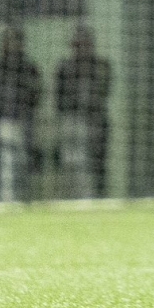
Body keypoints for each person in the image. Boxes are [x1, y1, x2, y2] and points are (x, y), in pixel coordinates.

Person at [0, 24, 42, 203]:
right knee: (3, 162)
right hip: (1, 122)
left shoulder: (29, 68)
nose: (11, 44)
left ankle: (24, 199)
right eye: (8, 40)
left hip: (24, 123)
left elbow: (36, 94)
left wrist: (26, 112)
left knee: (22, 162)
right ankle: (3, 199)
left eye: (15, 40)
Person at [54, 24, 112, 198]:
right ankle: (73, 198)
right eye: (78, 43)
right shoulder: (65, 67)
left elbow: (104, 91)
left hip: (95, 121)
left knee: (97, 163)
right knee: (72, 164)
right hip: (72, 121)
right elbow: (59, 98)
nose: (81, 47)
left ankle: (98, 197)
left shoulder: (101, 65)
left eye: (85, 42)